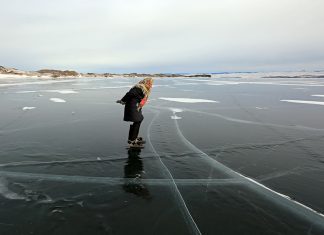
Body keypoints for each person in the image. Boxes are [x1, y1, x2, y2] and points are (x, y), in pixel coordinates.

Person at [116, 77, 153, 147]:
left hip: (136, 107)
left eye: (151, 83)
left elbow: (138, 97)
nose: (151, 85)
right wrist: (123, 101)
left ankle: (133, 138)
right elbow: (130, 94)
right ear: (145, 82)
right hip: (132, 107)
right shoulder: (139, 87)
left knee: (139, 120)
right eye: (149, 83)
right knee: (137, 120)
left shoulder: (143, 89)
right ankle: (132, 141)